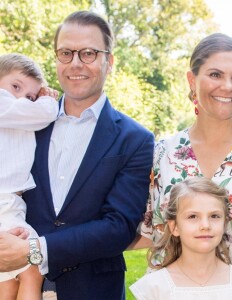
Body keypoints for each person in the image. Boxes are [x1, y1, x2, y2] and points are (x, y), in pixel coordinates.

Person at [0, 10, 154, 300]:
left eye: (88, 53)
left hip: (93, 290)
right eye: (66, 53)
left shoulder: (135, 139)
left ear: (109, 62)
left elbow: (118, 227)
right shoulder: (24, 122)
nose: (75, 63)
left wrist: (35, 250)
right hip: (11, 283)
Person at [133, 33, 232, 299]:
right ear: (192, 80)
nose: (228, 86)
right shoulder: (161, 154)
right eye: (216, 74)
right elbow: (149, 230)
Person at [130, 177, 232, 299]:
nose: (205, 225)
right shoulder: (154, 288)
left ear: (224, 224)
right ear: (174, 227)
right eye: (193, 216)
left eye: (214, 216)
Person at [0, 53, 58, 300]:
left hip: (11, 203)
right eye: (15, 86)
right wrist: (46, 100)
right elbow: (42, 115)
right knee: (32, 268)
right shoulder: (6, 104)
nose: (21, 98)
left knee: (9, 279)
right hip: (4, 203)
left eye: (29, 96)